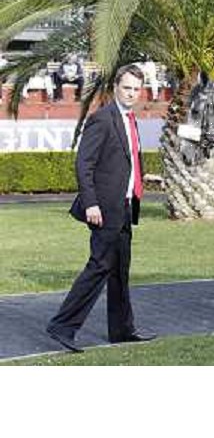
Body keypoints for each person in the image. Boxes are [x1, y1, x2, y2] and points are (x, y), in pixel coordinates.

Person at [46, 64, 156, 352]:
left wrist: (141, 180)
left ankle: (122, 330)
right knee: (99, 267)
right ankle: (62, 326)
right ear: (115, 88)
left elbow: (126, 161)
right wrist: (91, 203)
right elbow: (84, 164)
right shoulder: (103, 119)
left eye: (136, 89)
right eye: (127, 88)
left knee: (119, 271)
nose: (131, 93)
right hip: (104, 209)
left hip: (124, 207)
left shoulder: (130, 120)